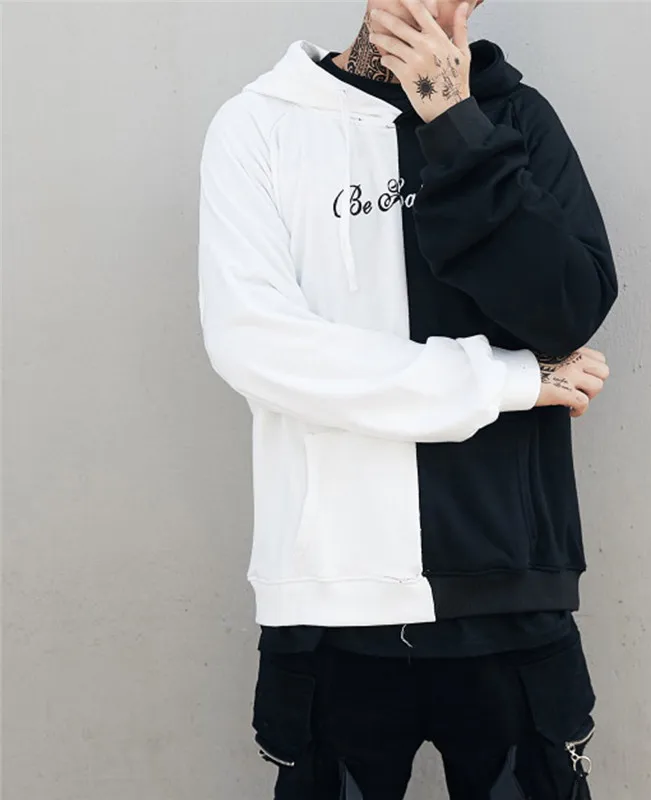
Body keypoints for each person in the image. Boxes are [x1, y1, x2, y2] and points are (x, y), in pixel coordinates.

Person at [198, 0, 617, 796]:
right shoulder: (260, 124)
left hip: (508, 581)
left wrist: (456, 125)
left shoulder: (514, 120)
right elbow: (255, 343)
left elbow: (566, 310)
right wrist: (509, 380)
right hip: (329, 594)